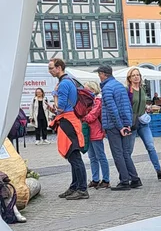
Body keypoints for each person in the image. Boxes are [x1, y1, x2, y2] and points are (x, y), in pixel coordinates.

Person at [48, 58, 88, 200]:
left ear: (59, 68)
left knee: (74, 156)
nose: (50, 71)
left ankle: (82, 189)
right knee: (73, 157)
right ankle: (75, 186)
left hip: (68, 122)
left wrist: (55, 101)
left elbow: (62, 106)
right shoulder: (67, 81)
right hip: (69, 120)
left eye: (51, 68)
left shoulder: (64, 83)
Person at [97, 65, 141, 191]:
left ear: (103, 74)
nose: (99, 77)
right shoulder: (120, 86)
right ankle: (135, 179)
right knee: (125, 153)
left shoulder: (107, 88)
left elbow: (112, 110)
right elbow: (127, 106)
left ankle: (124, 181)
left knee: (118, 154)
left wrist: (120, 126)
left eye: (99, 74)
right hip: (124, 123)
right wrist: (127, 124)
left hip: (114, 125)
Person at [126, 68, 161, 180]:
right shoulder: (128, 91)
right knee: (128, 150)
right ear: (129, 78)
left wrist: (146, 108)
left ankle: (158, 170)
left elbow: (141, 103)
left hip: (143, 122)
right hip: (132, 123)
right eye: (133, 75)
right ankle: (128, 174)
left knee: (150, 146)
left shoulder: (142, 89)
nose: (136, 77)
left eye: (138, 75)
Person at [82, 82, 110, 189]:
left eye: (86, 89)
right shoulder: (88, 102)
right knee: (92, 157)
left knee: (101, 156)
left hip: (96, 131)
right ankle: (95, 179)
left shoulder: (98, 101)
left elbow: (92, 116)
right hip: (88, 132)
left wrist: (83, 117)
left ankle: (106, 180)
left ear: (93, 90)